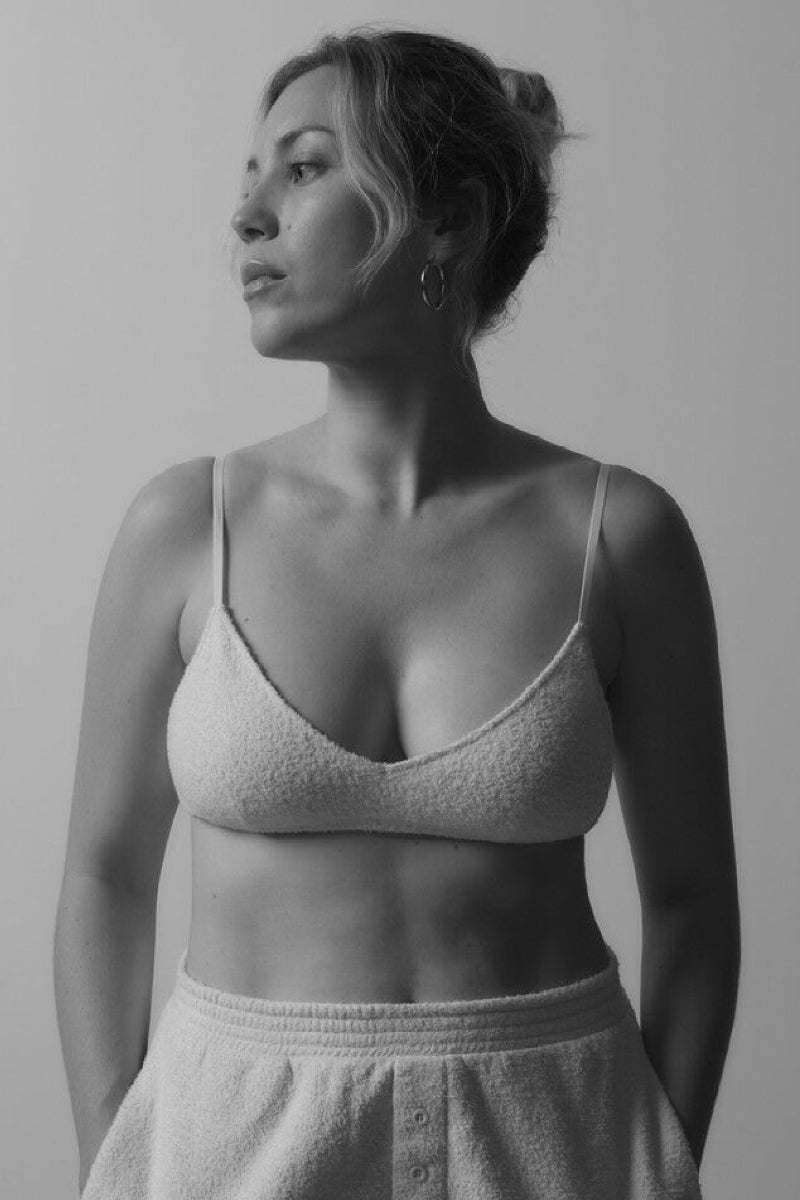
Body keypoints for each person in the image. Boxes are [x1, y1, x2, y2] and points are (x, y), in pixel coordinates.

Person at [54, 24, 739, 1200]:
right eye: (252, 177)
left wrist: (656, 1157)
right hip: (230, 1135)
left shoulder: (617, 537)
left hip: (554, 1132)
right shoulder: (185, 527)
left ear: (448, 220)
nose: (248, 217)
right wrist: (114, 1154)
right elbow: (104, 878)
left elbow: (691, 903)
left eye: (304, 168)